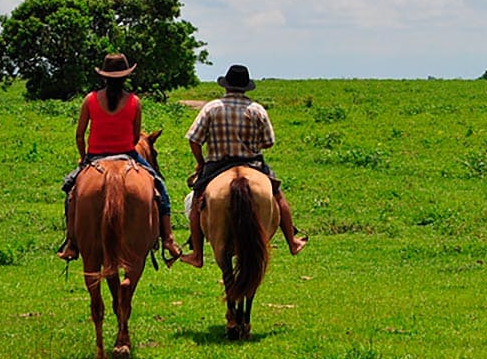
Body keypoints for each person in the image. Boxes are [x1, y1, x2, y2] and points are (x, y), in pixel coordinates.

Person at [57, 53, 184, 262]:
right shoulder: (134, 101)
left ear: (104, 77)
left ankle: (71, 243)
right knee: (160, 186)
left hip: (95, 155)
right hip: (127, 154)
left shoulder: (90, 100)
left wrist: (84, 157)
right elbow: (135, 137)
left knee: (71, 192)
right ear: (126, 77)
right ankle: (168, 239)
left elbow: (79, 135)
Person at [178, 64, 307, 268]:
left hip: (217, 164)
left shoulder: (211, 108)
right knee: (278, 195)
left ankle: (197, 253)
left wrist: (201, 162)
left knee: (197, 200)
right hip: (252, 163)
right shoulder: (256, 109)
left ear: (226, 86)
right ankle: (292, 241)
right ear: (246, 88)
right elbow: (269, 142)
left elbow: (194, 139)